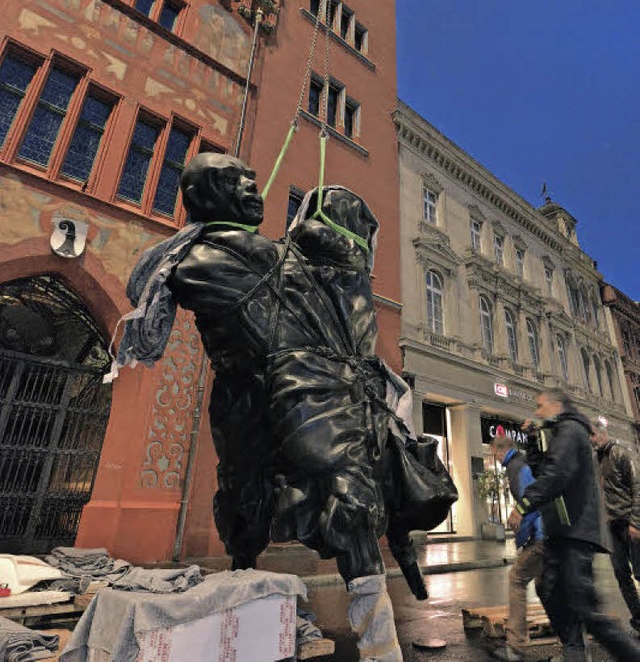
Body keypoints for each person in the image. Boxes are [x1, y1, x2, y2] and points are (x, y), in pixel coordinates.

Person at [116, 154, 457, 661]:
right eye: (239, 183)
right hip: (273, 398)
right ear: (210, 194)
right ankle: (266, 616)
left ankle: (373, 640)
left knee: (340, 497)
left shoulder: (274, 256)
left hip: (301, 392)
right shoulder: (201, 262)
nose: (255, 189)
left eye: (254, 180)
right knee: (260, 500)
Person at [508, 388, 640, 662]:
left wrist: (522, 507)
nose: (537, 411)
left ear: (556, 405)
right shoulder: (560, 433)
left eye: (540, 405)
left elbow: (556, 476)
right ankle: (574, 653)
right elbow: (543, 472)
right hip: (563, 532)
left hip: (575, 532)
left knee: (586, 611)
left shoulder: (570, 430)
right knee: (548, 590)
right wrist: (533, 442)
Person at [489, 435, 544, 662]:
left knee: (517, 579)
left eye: (495, 453)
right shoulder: (520, 464)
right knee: (547, 588)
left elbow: (529, 503)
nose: (495, 458)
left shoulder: (516, 467)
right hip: (548, 536)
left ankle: (515, 647)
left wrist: (522, 539)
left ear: (503, 450)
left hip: (541, 536)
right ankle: (572, 645)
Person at [590, 416, 640, 632]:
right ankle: (638, 617)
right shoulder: (596, 460)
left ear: (602, 433)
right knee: (621, 573)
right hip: (612, 525)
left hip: (630, 522)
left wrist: (636, 523)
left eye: (592, 435)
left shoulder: (621, 454)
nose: (590, 440)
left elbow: (638, 488)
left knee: (639, 572)